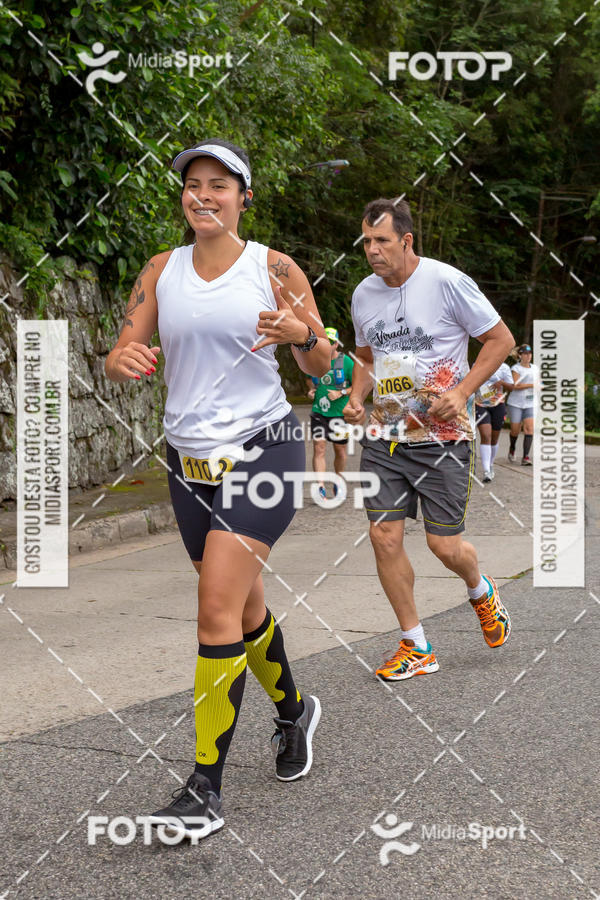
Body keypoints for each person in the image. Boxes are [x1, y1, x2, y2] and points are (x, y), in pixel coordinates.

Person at [105, 139, 330, 839]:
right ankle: (295, 712)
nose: (202, 195)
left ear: (243, 198)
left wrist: (300, 335)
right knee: (241, 606)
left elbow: (324, 362)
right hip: (189, 458)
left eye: (218, 185)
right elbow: (119, 352)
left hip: (266, 446)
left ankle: (204, 791)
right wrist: (122, 358)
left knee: (213, 609)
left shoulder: (275, 268)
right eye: (193, 184)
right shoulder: (161, 270)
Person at [343, 198, 514, 681]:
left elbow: (500, 340)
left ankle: (480, 589)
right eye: (366, 241)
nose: (372, 250)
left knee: (444, 546)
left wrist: (462, 392)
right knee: (383, 536)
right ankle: (416, 645)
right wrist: (356, 397)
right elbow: (366, 358)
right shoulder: (363, 294)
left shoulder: (446, 282)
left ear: (406, 240)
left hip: (443, 439)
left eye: (381, 241)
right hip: (385, 438)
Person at [307, 327, 354, 498]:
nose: (328, 346)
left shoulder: (346, 362)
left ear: (336, 344)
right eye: (325, 342)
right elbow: (309, 378)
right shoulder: (316, 359)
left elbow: (357, 386)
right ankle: (320, 486)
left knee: (340, 450)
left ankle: (338, 481)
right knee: (319, 448)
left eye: (331, 342)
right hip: (319, 412)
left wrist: (341, 393)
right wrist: (312, 390)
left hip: (340, 413)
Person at [475, 361, 514, 482]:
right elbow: (471, 382)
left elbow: (511, 387)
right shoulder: (478, 363)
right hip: (481, 404)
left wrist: (501, 383)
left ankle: (491, 464)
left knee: (494, 439)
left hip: (498, 404)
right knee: (486, 435)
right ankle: (486, 471)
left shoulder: (504, 367)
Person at [506, 344, 538, 465]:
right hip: (516, 403)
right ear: (520, 355)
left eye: (530, 354)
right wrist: (532, 385)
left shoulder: (535, 368)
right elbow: (515, 385)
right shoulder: (516, 368)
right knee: (515, 430)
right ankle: (512, 448)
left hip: (531, 403)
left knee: (529, 429)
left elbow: (539, 382)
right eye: (525, 354)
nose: (528, 356)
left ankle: (525, 457)